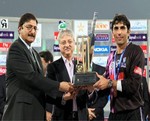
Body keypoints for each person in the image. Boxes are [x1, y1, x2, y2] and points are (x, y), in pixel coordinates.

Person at [2, 13, 73, 121]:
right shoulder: (16, 48)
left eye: (35, 28)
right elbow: (31, 77)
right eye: (29, 27)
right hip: (21, 112)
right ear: (20, 29)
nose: (33, 31)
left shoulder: (35, 53)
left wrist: (63, 96)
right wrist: (59, 86)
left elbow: (41, 85)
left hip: (36, 111)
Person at [93, 14, 145, 121]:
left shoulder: (136, 51)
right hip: (115, 113)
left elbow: (134, 85)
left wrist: (110, 83)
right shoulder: (111, 56)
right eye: (116, 28)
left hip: (132, 112)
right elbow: (105, 84)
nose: (119, 32)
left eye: (122, 28)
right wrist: (93, 84)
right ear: (113, 33)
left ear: (128, 31)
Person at [46, 29, 89, 121]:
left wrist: (90, 89)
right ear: (59, 45)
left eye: (70, 41)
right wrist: (63, 97)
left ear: (74, 43)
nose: (67, 45)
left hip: (81, 116)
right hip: (62, 116)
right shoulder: (52, 67)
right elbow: (49, 92)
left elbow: (88, 93)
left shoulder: (82, 65)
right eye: (63, 42)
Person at [39, 50, 54, 121]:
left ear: (49, 62)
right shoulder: (34, 79)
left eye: (42, 61)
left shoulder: (53, 80)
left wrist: (49, 111)